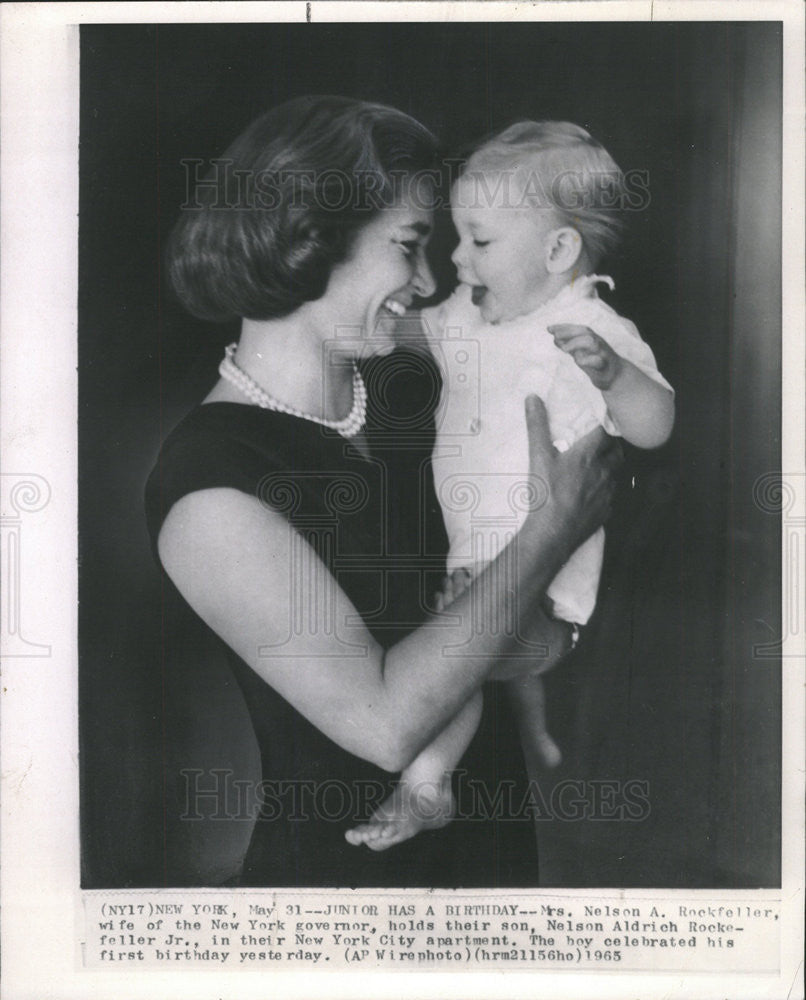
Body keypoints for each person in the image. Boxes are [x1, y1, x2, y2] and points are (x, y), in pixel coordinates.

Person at [144, 97, 620, 887]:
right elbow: (388, 725)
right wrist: (552, 527)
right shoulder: (209, 484)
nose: (432, 281)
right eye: (409, 246)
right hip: (342, 890)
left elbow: (541, 632)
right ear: (308, 238)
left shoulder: (418, 394)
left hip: (497, 871)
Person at [346, 121, 673, 851]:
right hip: (478, 558)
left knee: (449, 655)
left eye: (479, 241)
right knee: (460, 646)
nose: (456, 258)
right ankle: (527, 721)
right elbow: (414, 332)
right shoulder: (470, 312)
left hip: (542, 589)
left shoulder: (591, 325)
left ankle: (428, 783)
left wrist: (616, 378)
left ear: (558, 251)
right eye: (455, 236)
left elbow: (654, 427)